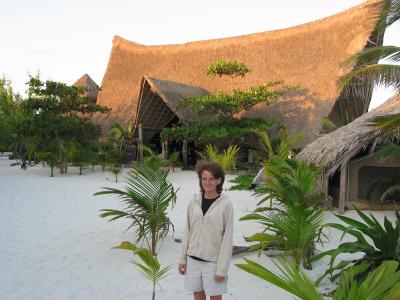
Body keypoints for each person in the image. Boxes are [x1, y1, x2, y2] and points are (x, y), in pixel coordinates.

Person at [178, 162, 234, 300]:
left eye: (211, 179)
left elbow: (227, 238)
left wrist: (222, 270)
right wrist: (182, 259)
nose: (207, 182)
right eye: (204, 178)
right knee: (197, 294)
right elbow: (187, 231)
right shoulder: (193, 201)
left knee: (215, 297)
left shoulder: (226, 204)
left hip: (213, 262)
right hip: (193, 260)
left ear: (219, 180)